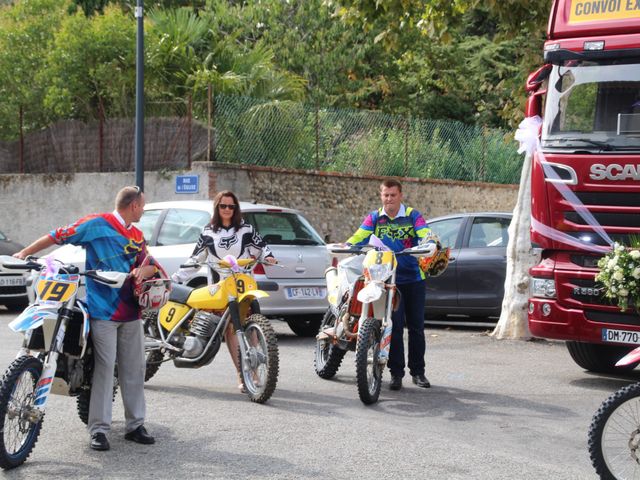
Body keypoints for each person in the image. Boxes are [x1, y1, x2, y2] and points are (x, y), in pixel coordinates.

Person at [14, 186, 159, 451]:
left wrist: (143, 270)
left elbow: (151, 264)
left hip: (132, 310)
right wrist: (25, 253)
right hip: (103, 311)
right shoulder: (97, 224)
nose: (144, 210)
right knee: (104, 369)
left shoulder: (136, 234)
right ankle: (99, 431)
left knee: (134, 369)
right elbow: (58, 235)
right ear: (134, 206)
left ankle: (135, 425)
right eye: (143, 206)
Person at [172, 190, 277, 391]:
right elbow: (195, 260)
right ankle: (242, 373)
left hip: (244, 288)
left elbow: (262, 248)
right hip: (220, 290)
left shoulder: (246, 229)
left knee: (252, 330)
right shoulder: (208, 232)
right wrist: (176, 279)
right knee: (230, 330)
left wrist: (269, 258)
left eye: (231, 206)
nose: (227, 209)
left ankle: (254, 371)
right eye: (223, 206)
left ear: (236, 209)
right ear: (217, 208)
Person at [347, 179, 432, 391]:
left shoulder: (413, 215)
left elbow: (425, 234)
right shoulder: (375, 217)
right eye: (385, 195)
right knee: (392, 327)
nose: (389, 199)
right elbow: (359, 236)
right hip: (387, 280)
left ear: (400, 195)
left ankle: (418, 372)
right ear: (381, 195)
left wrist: (429, 243)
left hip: (414, 278)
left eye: (393, 195)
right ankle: (396, 374)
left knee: (416, 328)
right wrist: (347, 245)